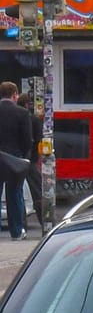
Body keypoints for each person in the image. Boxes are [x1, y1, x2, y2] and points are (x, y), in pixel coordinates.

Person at [0, 83, 34, 238]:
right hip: (14, 159)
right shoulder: (21, 113)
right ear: (14, 94)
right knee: (14, 195)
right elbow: (27, 140)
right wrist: (24, 157)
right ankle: (16, 231)